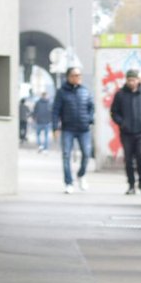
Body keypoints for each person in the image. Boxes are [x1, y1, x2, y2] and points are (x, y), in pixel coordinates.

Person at [109, 68, 141, 195]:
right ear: (126, 80)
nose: (131, 82)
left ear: (138, 80)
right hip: (127, 132)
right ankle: (131, 184)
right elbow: (114, 112)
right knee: (129, 159)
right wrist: (122, 123)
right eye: (129, 80)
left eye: (134, 80)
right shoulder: (120, 95)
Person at [53, 65, 94, 193]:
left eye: (79, 75)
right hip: (68, 129)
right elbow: (55, 111)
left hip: (84, 128)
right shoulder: (61, 92)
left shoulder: (85, 90)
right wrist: (56, 127)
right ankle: (68, 182)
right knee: (66, 155)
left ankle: (81, 174)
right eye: (75, 75)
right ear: (69, 77)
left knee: (87, 154)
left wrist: (90, 119)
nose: (78, 78)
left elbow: (91, 107)